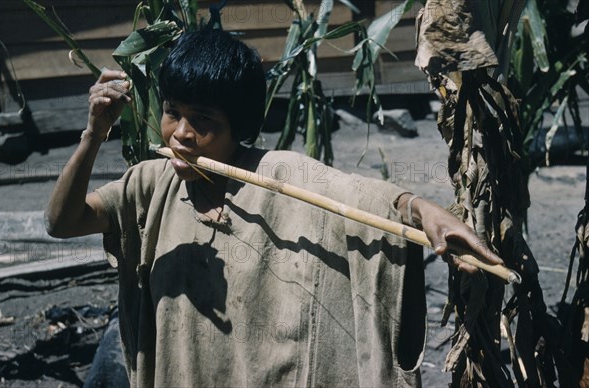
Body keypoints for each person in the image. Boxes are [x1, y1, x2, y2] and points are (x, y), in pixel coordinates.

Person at [45, 28, 503, 387]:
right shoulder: (150, 183)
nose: (181, 134)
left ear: (239, 127)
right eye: (172, 112)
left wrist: (426, 212)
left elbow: (363, 196)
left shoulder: (281, 174)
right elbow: (62, 222)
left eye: (203, 120)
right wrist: (93, 134)